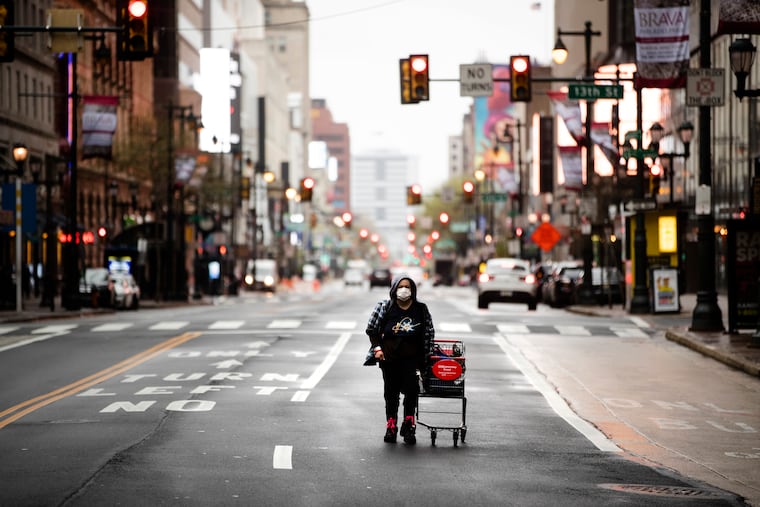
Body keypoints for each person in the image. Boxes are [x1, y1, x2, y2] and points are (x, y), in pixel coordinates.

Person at [365, 274, 435, 445]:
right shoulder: (385, 307)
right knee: (391, 393)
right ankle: (391, 425)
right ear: (394, 289)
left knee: (412, 392)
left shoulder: (421, 309)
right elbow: (372, 329)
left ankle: (409, 425)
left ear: (413, 290)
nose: (404, 290)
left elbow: (429, 333)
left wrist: (426, 358)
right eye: (400, 286)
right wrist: (377, 349)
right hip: (389, 359)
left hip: (413, 360)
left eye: (408, 287)